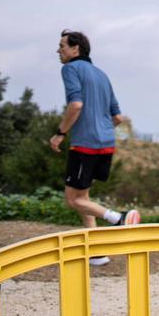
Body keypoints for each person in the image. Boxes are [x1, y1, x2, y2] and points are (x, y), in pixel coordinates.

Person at [49, 29, 139, 267]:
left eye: (62, 46)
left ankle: (118, 218)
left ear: (75, 49)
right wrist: (100, 127)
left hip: (85, 144)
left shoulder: (69, 69)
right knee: (83, 196)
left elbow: (75, 105)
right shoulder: (101, 74)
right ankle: (96, 252)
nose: (58, 50)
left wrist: (60, 134)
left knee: (72, 199)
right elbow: (118, 117)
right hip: (106, 144)